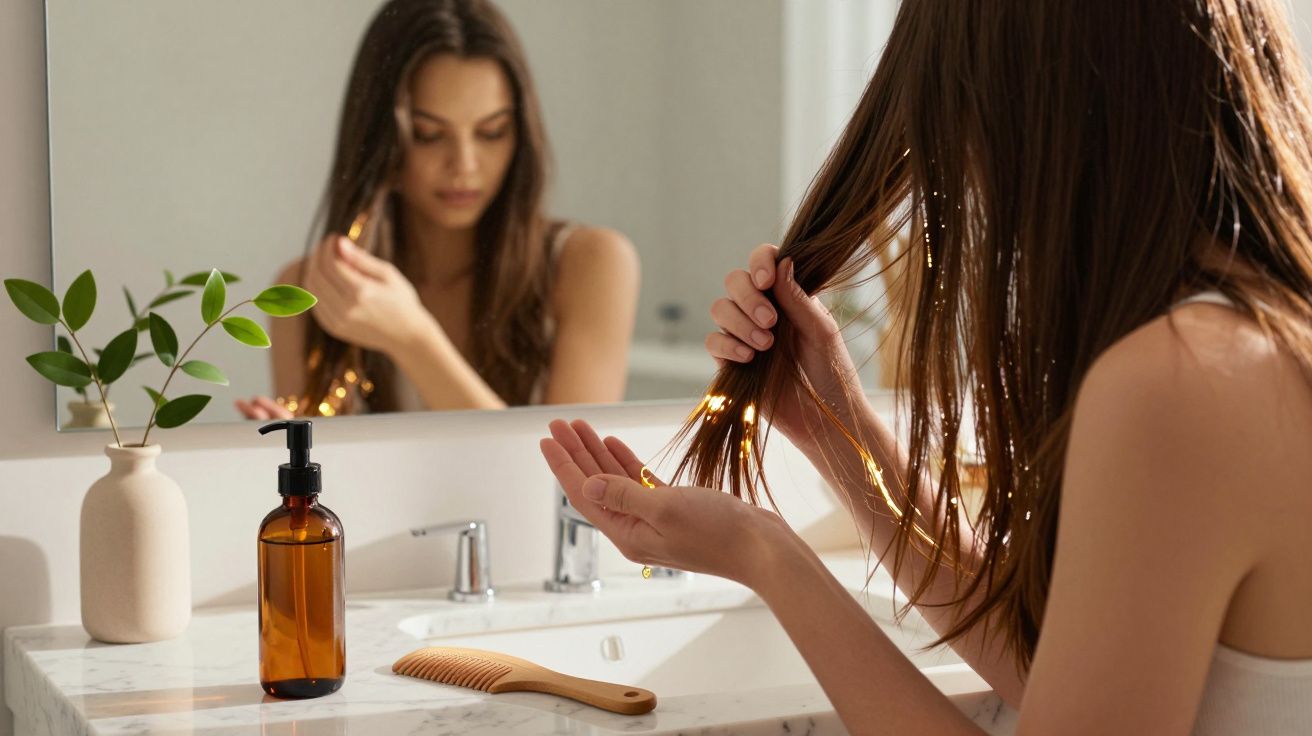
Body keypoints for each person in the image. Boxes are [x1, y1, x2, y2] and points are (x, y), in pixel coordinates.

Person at [540, 1, 1312, 733]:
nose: (967, 183)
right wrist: (840, 431)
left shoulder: (1182, 384)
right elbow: (1054, 682)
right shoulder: (1246, 342)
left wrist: (764, 552)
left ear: (1042, 116)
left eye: (960, 131)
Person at [237, 0, 637, 419]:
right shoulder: (313, 292)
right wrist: (295, 458)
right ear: (380, 141)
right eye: (428, 135)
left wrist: (412, 339)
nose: (464, 165)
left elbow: (569, 481)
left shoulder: (591, 264)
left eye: (491, 132)